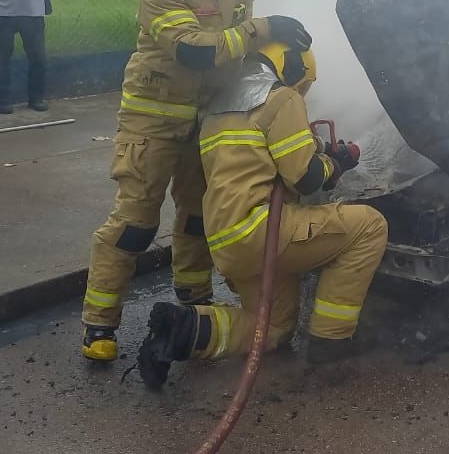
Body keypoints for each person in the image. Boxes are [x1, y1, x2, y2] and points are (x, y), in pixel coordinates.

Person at [79, 0, 371, 362]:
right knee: (135, 223)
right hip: (153, 122)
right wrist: (262, 28)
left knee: (198, 216)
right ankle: (99, 324)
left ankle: (193, 300)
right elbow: (194, 49)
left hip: (208, 117)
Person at [136, 42, 385, 387]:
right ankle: (331, 339)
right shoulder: (281, 98)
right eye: (303, 85)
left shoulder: (218, 107)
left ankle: (182, 330)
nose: (302, 93)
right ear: (292, 67)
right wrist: (335, 163)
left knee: (271, 328)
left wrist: (325, 150)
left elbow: (266, 152)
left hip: (227, 240)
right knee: (370, 226)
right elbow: (306, 177)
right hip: (263, 229)